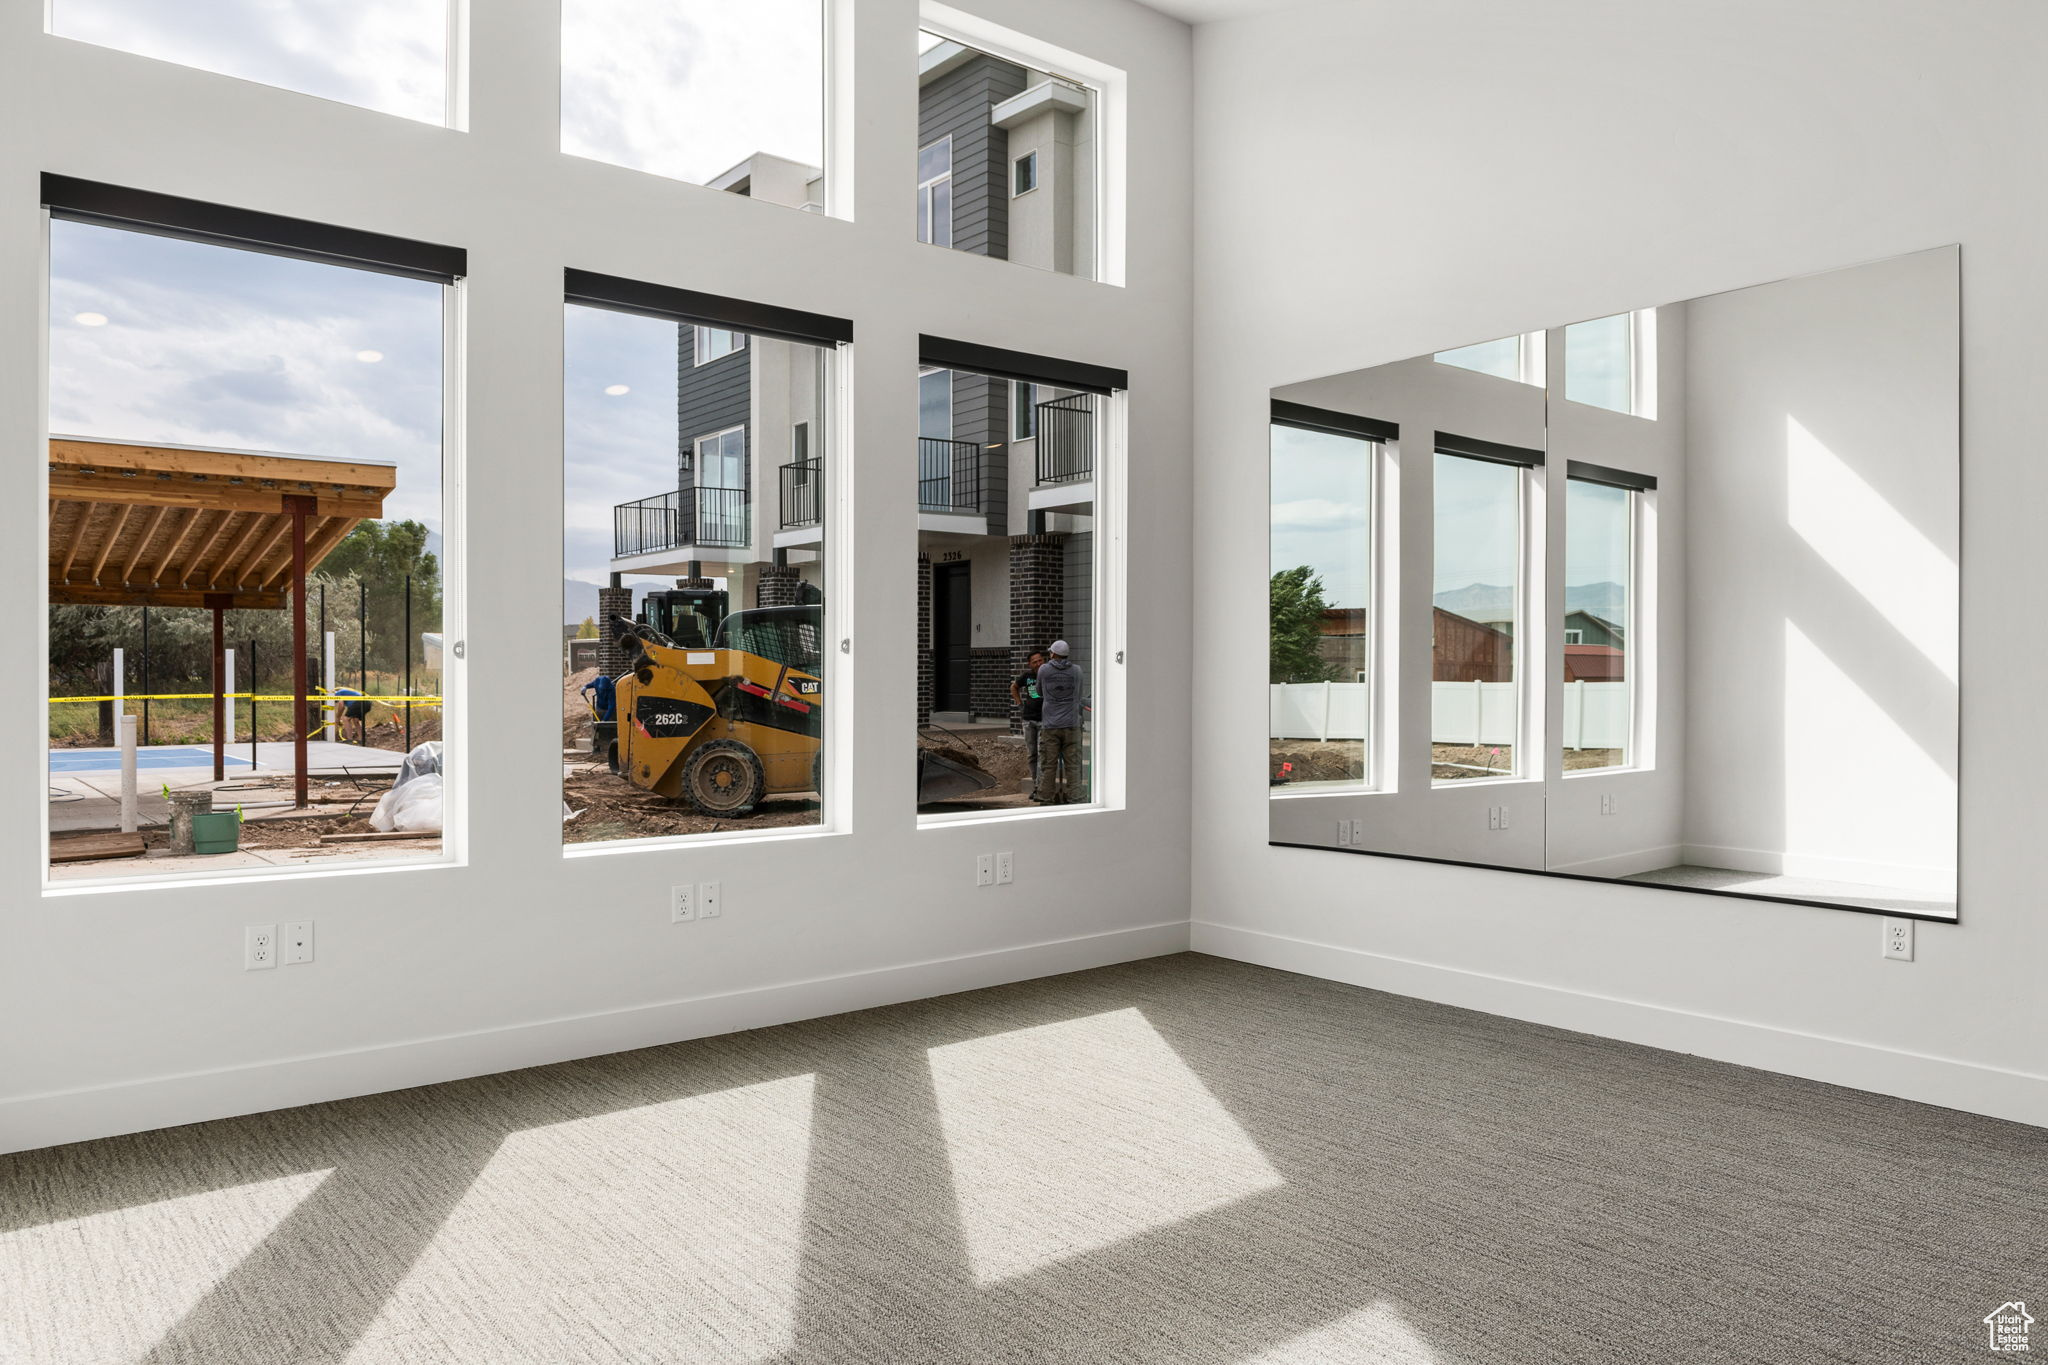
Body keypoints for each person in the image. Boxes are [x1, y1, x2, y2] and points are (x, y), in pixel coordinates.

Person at [1035, 640, 1084, 804]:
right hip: (1072, 725)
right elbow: (1079, 693)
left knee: (1049, 765)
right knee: (1074, 765)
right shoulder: (1077, 671)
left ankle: (1045, 797)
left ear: (1054, 654)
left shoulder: (1044, 669)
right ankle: (1075, 797)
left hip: (1050, 726)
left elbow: (1039, 691)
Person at [1010, 649, 1046, 796]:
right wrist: (1019, 705)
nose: (1038, 663)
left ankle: (1040, 787)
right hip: (1028, 720)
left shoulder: (1048, 674)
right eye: (1035, 662)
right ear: (1029, 664)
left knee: (1042, 753)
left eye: (1040, 660)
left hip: (1044, 720)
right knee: (1032, 754)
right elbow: (1013, 687)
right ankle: (1035, 783)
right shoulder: (1027, 676)